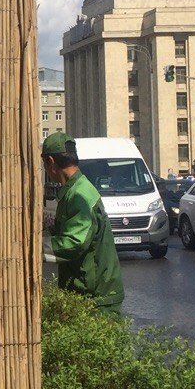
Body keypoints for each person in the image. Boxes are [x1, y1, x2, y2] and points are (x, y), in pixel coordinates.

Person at [41, 132, 124, 315]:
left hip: (97, 298)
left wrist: (35, 247)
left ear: (51, 162)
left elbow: (75, 242)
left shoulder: (79, 195)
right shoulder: (74, 189)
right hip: (90, 291)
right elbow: (71, 228)